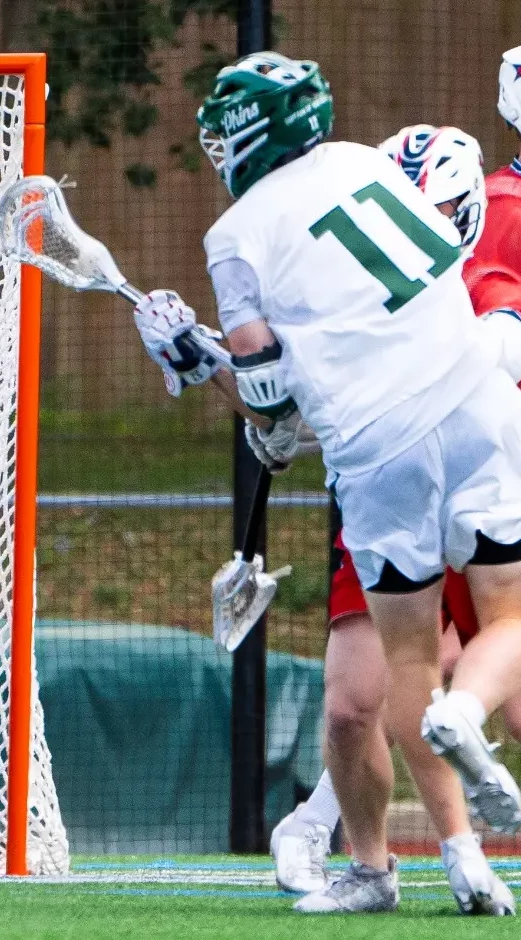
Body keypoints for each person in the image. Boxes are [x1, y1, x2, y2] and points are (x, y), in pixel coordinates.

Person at [132, 52, 521, 915]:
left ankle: (406, 816)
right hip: (473, 396)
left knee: (409, 654)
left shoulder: (233, 236)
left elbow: (272, 412)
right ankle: (460, 730)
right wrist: (207, 354)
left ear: (252, 132)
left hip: (377, 451)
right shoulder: (360, 162)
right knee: (511, 620)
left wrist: (198, 359)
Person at [266, 124, 518, 915]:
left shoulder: (489, 275)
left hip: (484, 483)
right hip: (390, 493)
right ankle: (374, 851)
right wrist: (218, 367)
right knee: (354, 701)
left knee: (486, 678)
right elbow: (287, 408)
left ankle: (396, 834)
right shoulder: (351, 285)